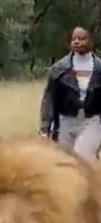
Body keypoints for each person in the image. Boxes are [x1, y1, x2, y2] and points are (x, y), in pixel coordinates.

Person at [39, 27, 101, 159]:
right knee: (65, 161)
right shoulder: (59, 69)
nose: (77, 42)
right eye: (74, 39)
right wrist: (45, 127)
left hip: (91, 122)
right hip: (65, 122)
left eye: (81, 39)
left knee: (82, 157)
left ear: (91, 41)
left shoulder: (99, 69)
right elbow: (49, 99)